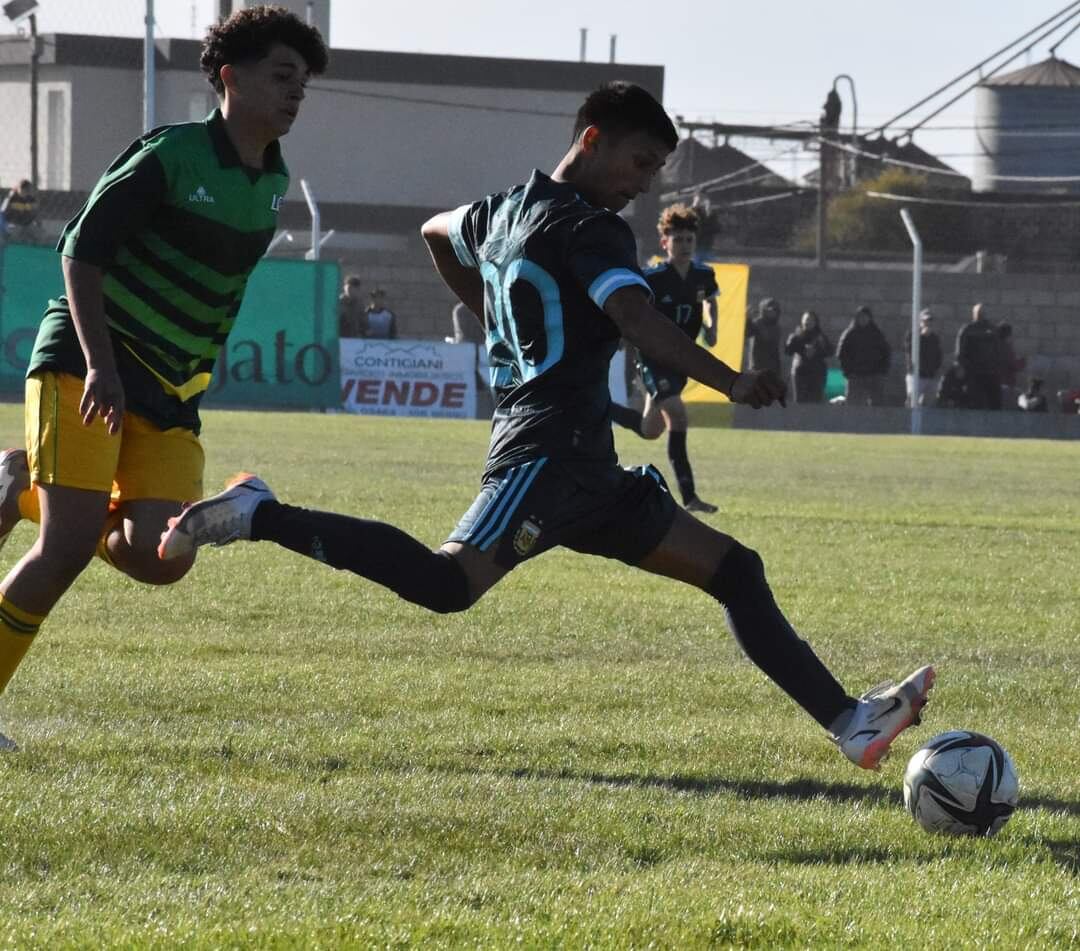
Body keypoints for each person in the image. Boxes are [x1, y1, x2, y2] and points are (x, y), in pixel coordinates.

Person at [159, 81, 934, 773]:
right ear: (590, 138)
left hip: (587, 464)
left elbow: (435, 230)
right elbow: (636, 318)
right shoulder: (589, 228)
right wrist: (732, 380)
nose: (641, 186)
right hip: (543, 454)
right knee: (445, 584)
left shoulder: (502, 210)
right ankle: (261, 513)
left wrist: (496, 313)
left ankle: (851, 723)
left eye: (654, 172)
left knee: (736, 568)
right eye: (637, 163)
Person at [0, 6, 328, 752]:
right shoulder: (171, 155)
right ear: (229, 78)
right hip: (90, 366)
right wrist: (103, 366)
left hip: (173, 392)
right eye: (282, 76)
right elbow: (80, 254)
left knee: (161, 558)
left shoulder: (273, 178)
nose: (295, 93)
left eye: (303, 82)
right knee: (66, 549)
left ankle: (24, 485)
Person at [609, 203, 721, 514]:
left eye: (689, 240)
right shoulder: (654, 277)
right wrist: (623, 337)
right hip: (654, 356)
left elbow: (710, 303)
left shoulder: (703, 274)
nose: (684, 245)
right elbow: (633, 309)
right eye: (678, 240)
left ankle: (599, 408)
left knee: (650, 429)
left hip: (680, 359)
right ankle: (690, 496)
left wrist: (712, 329)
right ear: (665, 242)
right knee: (678, 414)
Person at [837, 305, 890, 406]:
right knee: (853, 405)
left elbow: (886, 352)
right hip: (855, 376)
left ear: (870, 318)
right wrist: (847, 372)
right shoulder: (849, 334)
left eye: (865, 317)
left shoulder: (877, 334)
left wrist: (882, 371)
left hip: (874, 375)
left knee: (876, 405)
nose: (863, 319)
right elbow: (841, 354)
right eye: (860, 317)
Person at [955, 303, 1001, 410]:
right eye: (979, 312)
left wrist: (997, 367)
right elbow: (959, 352)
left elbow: (998, 350)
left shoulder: (992, 329)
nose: (981, 315)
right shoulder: (967, 330)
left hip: (990, 372)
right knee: (975, 403)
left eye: (983, 312)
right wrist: (962, 367)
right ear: (974, 314)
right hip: (973, 373)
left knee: (995, 403)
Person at [783, 310, 832, 404]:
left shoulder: (820, 336)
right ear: (802, 321)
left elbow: (829, 352)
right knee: (800, 403)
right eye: (806, 320)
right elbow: (788, 351)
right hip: (800, 373)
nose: (808, 322)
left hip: (817, 374)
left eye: (810, 320)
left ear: (815, 322)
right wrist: (794, 339)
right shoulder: (797, 336)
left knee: (816, 402)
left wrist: (819, 349)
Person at [903, 309, 943, 408]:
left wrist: (937, 369)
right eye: (925, 321)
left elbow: (938, 355)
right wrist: (922, 337)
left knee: (929, 405)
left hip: (930, 376)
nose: (928, 323)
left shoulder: (934, 338)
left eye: (930, 321)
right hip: (916, 376)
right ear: (920, 322)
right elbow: (909, 350)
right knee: (912, 404)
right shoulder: (912, 335)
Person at [745, 297, 782, 375]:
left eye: (774, 310)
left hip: (772, 367)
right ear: (764, 311)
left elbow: (773, 346)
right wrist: (747, 320)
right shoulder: (757, 323)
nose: (772, 312)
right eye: (769, 310)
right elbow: (747, 333)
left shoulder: (776, 327)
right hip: (757, 366)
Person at [0, 179, 42, 243]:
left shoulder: (30, 199)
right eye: (23, 189)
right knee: (15, 236)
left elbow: (35, 213)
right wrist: (3, 226)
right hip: (12, 224)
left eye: (27, 190)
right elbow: (2, 213)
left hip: (27, 224)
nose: (25, 192)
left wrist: (38, 223)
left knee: (40, 235)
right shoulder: (11, 198)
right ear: (18, 189)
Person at [996, 322, 1025, 410]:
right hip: (1006, 387)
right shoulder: (1006, 348)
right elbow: (1013, 365)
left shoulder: (994, 346)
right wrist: (1023, 361)